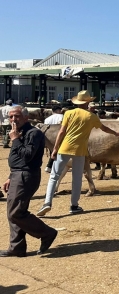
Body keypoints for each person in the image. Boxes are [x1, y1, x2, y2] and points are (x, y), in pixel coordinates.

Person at [37, 90, 119, 216]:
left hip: (64, 148)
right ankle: (74, 205)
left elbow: (61, 132)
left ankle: (47, 203)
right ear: (88, 102)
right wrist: (116, 133)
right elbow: (104, 128)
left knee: (54, 176)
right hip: (80, 150)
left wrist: (54, 149)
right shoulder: (91, 117)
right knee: (77, 178)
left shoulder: (68, 113)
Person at [1, 106, 58, 257]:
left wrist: (15, 140)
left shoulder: (34, 133)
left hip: (26, 176)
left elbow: (28, 156)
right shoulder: (18, 133)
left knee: (16, 213)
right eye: (11, 117)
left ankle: (47, 233)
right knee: (12, 212)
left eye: (17, 116)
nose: (13, 120)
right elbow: (17, 159)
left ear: (26, 118)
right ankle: (17, 247)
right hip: (17, 175)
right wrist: (10, 176)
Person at [43, 106, 65, 173]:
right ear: (59, 110)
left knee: (52, 151)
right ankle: (50, 166)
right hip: (60, 135)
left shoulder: (47, 119)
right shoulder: (62, 116)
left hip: (49, 136)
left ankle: (51, 166)